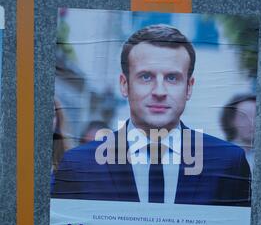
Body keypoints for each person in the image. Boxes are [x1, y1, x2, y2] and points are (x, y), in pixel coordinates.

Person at [52, 24, 251, 206]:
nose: (159, 91)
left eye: (172, 78)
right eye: (146, 77)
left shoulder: (228, 163)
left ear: (189, 88)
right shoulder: (78, 165)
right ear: (124, 85)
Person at [220, 94, 256, 173]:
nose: (252, 123)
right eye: (243, 116)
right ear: (231, 121)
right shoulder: (220, 157)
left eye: (256, 116)